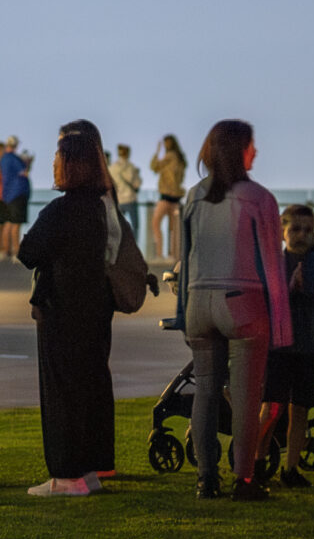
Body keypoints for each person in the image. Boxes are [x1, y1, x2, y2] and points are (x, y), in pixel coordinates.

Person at [176, 120, 291, 501]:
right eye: (251, 145)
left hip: (198, 301)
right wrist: (282, 328)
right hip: (243, 302)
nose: (255, 151)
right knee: (245, 399)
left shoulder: (193, 196)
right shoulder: (258, 198)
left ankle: (206, 478)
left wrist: (183, 314)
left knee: (206, 393)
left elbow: (186, 259)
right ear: (239, 150)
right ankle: (244, 479)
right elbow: (273, 266)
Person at [18, 128, 120, 496]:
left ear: (70, 165)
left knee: (61, 392)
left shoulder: (60, 210)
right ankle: (89, 469)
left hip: (61, 310)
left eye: (57, 157)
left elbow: (28, 252)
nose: (53, 163)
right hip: (94, 309)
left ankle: (66, 475)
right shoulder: (98, 208)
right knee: (87, 388)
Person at [262, 204, 314, 488]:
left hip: (310, 347)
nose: (302, 235)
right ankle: (256, 462)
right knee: (272, 408)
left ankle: (290, 468)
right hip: (278, 348)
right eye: (295, 229)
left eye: (307, 230)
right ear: (283, 231)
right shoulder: (272, 264)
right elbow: (263, 303)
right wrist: (289, 291)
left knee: (301, 409)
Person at [149, 134, 187, 263]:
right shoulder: (180, 159)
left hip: (166, 196)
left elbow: (154, 167)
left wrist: (157, 152)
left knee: (156, 223)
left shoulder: (169, 157)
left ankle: (160, 254)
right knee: (174, 229)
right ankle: (173, 255)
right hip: (176, 197)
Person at [0, 137, 33, 261]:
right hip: (17, 194)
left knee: (9, 223)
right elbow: (24, 172)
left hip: (8, 195)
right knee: (15, 223)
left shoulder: (4, 159)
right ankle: (16, 252)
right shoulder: (14, 159)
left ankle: (6, 251)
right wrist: (28, 163)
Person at [110, 143, 144, 234]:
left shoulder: (112, 168)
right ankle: (134, 242)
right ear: (128, 153)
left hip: (118, 200)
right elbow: (137, 184)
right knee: (135, 226)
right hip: (130, 199)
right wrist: (138, 174)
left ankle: (120, 243)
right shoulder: (131, 167)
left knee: (118, 226)